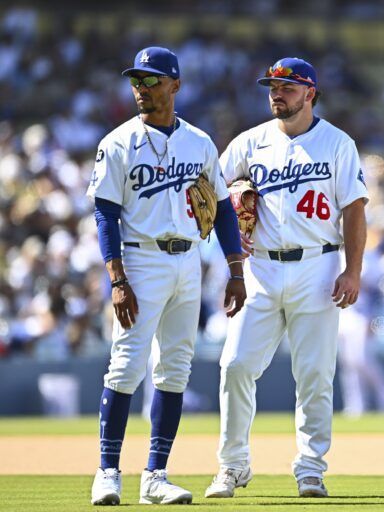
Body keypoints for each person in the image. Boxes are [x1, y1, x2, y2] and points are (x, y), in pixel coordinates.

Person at [87, 46, 246, 506]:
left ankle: (155, 475)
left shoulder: (198, 142)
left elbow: (222, 212)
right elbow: (105, 215)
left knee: (174, 370)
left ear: (175, 85)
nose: (141, 88)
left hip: (187, 261)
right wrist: (117, 279)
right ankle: (108, 472)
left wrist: (235, 269)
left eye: (151, 80)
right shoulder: (116, 142)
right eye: (137, 81)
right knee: (126, 366)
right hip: (140, 260)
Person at [204, 57, 368, 499]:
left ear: (310, 93)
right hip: (260, 267)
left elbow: (354, 209)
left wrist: (352, 270)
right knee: (235, 365)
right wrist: (231, 206)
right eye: (273, 86)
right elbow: (211, 197)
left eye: (288, 87)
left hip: (318, 264)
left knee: (315, 374)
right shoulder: (249, 143)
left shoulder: (337, 143)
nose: (277, 93)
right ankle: (232, 465)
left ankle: (310, 467)